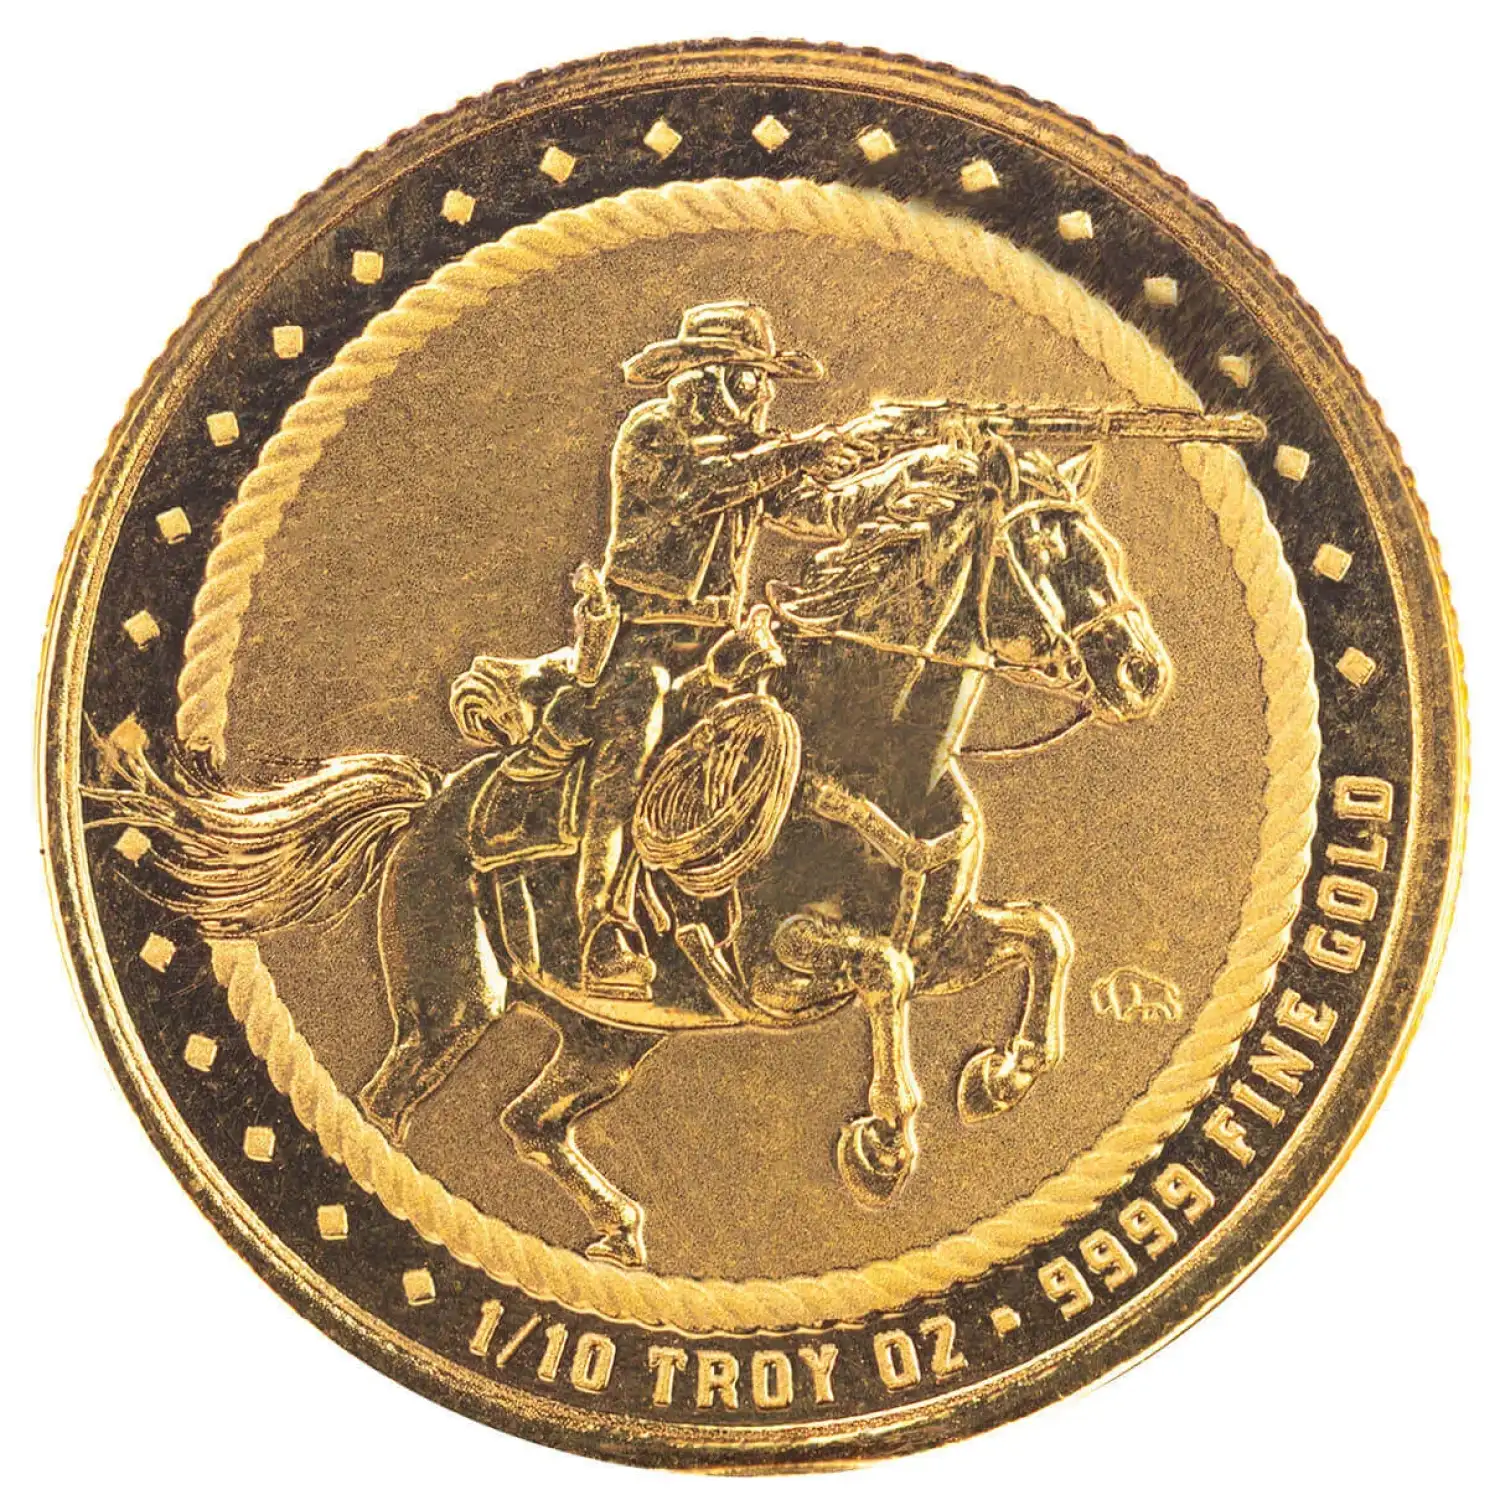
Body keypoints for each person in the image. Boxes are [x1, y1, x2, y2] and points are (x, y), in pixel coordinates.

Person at [503, 302, 864, 999]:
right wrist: (799, 452)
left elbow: (818, 511)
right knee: (635, 727)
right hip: (642, 639)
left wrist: (909, 483)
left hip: (721, 640)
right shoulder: (653, 432)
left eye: (766, 380)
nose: (765, 395)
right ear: (709, 376)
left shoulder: (755, 455)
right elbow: (695, 492)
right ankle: (601, 925)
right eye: (752, 378)